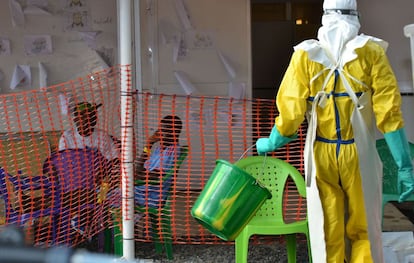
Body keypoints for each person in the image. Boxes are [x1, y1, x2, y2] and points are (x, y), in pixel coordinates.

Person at [255, 0, 414, 262]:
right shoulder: (371, 52)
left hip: (321, 153)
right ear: (356, 16)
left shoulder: (305, 56)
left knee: (328, 228)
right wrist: (405, 166)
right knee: (363, 228)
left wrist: (270, 142)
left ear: (325, 17)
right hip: (358, 154)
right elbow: (389, 115)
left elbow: (290, 116)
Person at [134, 115, 183, 208]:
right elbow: (140, 169)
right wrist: (148, 145)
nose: (158, 133)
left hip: (149, 196)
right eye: (159, 129)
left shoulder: (171, 152)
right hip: (141, 189)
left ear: (173, 133)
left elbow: (150, 175)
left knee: (106, 198)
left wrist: (134, 176)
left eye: (162, 130)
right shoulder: (159, 149)